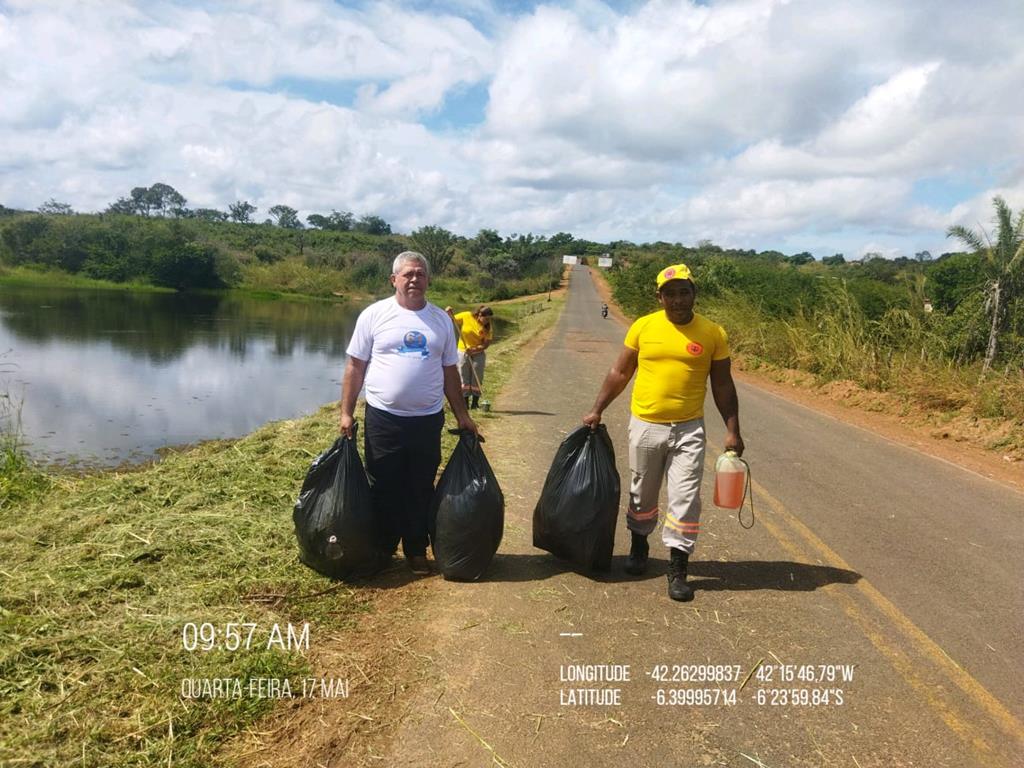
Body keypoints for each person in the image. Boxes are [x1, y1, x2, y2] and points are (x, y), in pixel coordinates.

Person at [583, 263, 744, 602]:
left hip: (688, 429)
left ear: (694, 294)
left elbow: (723, 385)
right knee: (642, 494)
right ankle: (639, 546)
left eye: (684, 292)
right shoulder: (643, 327)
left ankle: (678, 567)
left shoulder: (712, 333)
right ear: (659, 297)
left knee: (685, 498)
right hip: (645, 426)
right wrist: (597, 409)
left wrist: (733, 430)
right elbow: (620, 371)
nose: (678, 300)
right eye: (670, 293)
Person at [340, 251, 478, 575]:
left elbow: (450, 373)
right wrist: (346, 412)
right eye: (407, 274)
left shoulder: (441, 321)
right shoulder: (374, 315)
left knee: (420, 485)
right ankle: (384, 549)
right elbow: (355, 367)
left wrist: (462, 415)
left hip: (427, 419)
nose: (414, 279)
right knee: (384, 484)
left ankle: (417, 549)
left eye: (420, 274)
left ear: (428, 280)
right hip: (383, 418)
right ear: (394, 280)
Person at [452, 305, 494, 410]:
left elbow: (486, 345)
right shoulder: (467, 315)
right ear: (479, 315)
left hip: (478, 353)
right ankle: (465, 403)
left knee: (477, 377)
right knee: (463, 376)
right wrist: (449, 313)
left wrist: (475, 349)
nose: (488, 321)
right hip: (463, 351)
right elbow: (451, 318)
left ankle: (475, 404)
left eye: (490, 319)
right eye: (486, 318)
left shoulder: (488, 327)